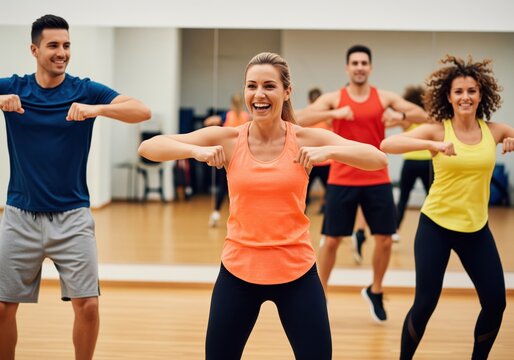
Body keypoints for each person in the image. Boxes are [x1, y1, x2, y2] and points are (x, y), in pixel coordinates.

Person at [138, 51, 388, 359]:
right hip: (239, 271)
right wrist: (196, 152)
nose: (259, 94)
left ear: (286, 92)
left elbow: (378, 159)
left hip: (296, 272)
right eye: (251, 86)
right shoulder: (230, 138)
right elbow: (148, 147)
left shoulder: (306, 138)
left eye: (269, 86)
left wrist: (328, 153)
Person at [0, 15, 151, 360]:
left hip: (73, 217)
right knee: (2, 308)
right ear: (34, 49)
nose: (62, 53)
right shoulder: (15, 86)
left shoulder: (84, 89)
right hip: (19, 216)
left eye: (66, 45)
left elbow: (141, 111)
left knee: (88, 307)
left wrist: (95, 109)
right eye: (53, 45)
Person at [380, 55, 511, 359]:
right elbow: (388, 146)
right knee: (425, 302)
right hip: (435, 226)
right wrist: (431, 145)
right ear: (448, 97)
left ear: (482, 95)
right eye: (459, 92)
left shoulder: (494, 131)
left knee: (495, 303)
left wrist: (512, 142)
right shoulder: (438, 130)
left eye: (472, 91)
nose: (465, 97)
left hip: (476, 228)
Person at [296, 44, 427, 322]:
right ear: (347, 68)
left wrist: (400, 117)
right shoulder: (335, 98)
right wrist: (334, 115)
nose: (359, 67)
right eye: (354, 63)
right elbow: (300, 117)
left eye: (363, 63)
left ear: (370, 67)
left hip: (376, 177)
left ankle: (375, 290)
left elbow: (424, 114)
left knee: (385, 240)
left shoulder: (384, 98)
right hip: (341, 178)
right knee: (330, 241)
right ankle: (320, 295)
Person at [204, 93, 250, 227]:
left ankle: (216, 214)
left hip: (228, 158)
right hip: (240, 158)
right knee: (240, 189)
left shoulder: (227, 116)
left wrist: (215, 120)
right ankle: (241, 218)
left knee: (223, 188)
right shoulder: (246, 117)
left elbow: (207, 122)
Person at [395, 85, 433, 233]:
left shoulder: (407, 119)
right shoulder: (428, 117)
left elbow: (393, 122)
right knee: (431, 197)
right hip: (427, 162)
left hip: (410, 162)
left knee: (403, 198)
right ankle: (431, 228)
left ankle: (395, 230)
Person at [304, 87, 332, 214]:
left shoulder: (327, 117)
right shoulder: (307, 116)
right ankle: (301, 209)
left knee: (330, 190)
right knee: (303, 188)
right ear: (310, 101)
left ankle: (326, 207)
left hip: (326, 161)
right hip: (311, 160)